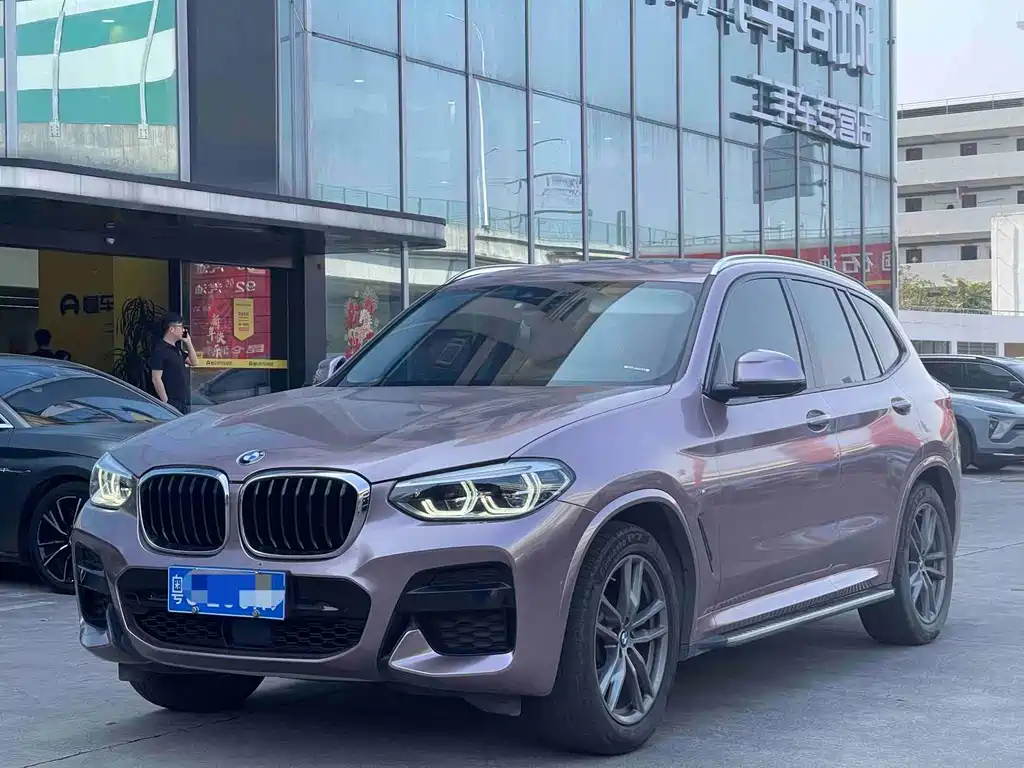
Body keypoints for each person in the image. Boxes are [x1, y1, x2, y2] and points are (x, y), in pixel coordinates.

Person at [150, 312, 198, 415]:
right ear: (171, 329)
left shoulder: (176, 348)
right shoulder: (160, 350)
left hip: (183, 401)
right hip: (172, 403)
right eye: (181, 327)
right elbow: (156, 378)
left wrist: (188, 342)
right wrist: (166, 402)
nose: (184, 330)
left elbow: (194, 362)